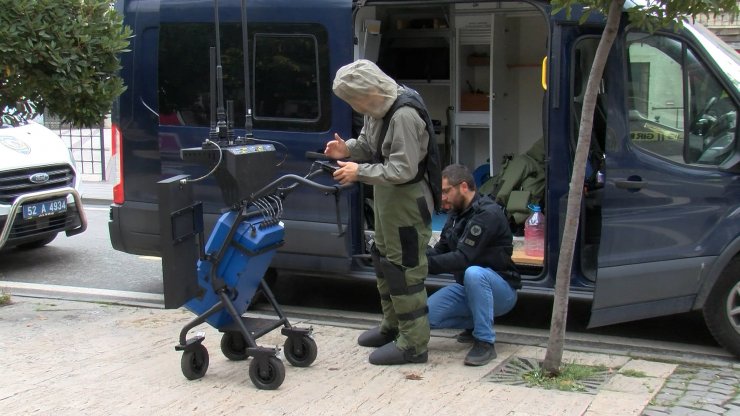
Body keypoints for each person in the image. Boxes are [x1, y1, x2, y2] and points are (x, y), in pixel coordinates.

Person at [324, 59, 441, 365]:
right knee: (384, 262)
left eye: (354, 100)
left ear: (369, 91)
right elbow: (367, 144)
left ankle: (414, 345)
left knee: (405, 272)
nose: (354, 106)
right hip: (388, 200)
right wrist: (346, 150)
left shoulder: (403, 114)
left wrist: (358, 171)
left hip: (407, 202)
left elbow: (402, 168)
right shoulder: (378, 108)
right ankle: (393, 327)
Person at [427, 164, 521, 366]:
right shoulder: (455, 214)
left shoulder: (488, 214)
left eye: (445, 191)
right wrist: (416, 255)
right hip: (466, 289)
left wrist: (425, 265)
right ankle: (474, 323)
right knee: (425, 317)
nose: (442, 197)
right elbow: (441, 250)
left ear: (463, 186)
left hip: (501, 291)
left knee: (474, 273)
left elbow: (463, 258)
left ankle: (485, 342)